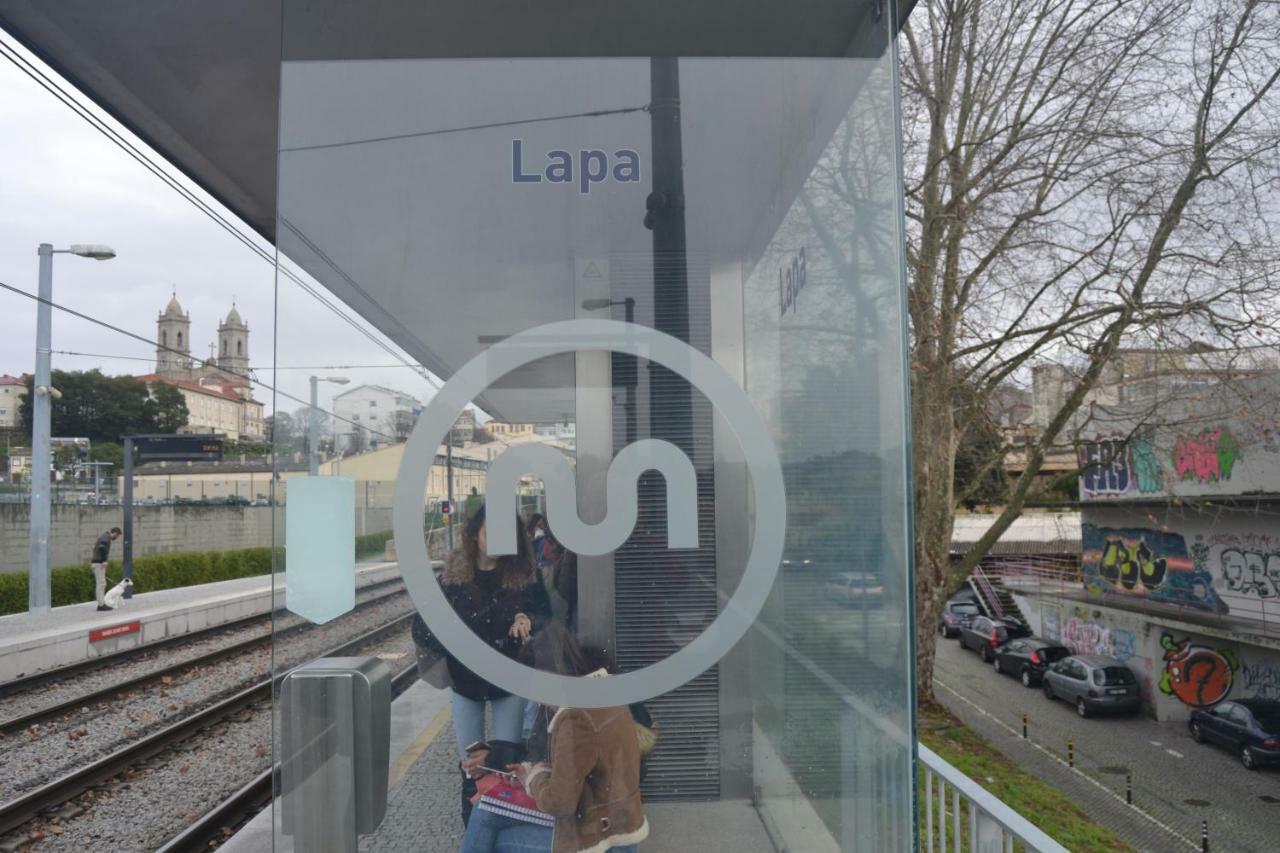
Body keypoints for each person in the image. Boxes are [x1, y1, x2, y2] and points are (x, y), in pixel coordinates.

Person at [414, 505, 551, 825]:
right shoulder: (451, 578)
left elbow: (546, 616)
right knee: (470, 765)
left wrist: (527, 618)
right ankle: (472, 830)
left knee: (506, 762)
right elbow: (422, 626)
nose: (496, 543)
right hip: (465, 682)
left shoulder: (523, 575)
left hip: (509, 678)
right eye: (490, 534)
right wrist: (451, 647)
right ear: (475, 534)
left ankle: (501, 827)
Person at [460, 623, 649, 853]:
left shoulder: (575, 720)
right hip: (616, 825)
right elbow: (582, 768)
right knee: (486, 811)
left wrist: (534, 778)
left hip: (601, 840)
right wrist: (528, 774)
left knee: (498, 836)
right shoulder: (600, 693)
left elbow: (560, 804)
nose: (537, 700)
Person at [89, 527, 122, 612]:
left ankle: (101, 603)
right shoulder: (106, 537)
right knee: (101, 584)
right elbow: (102, 547)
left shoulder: (104, 536)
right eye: (117, 536)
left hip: (97, 563)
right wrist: (104, 560)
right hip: (99, 563)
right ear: (115, 533)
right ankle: (101, 605)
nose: (117, 538)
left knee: (102, 584)